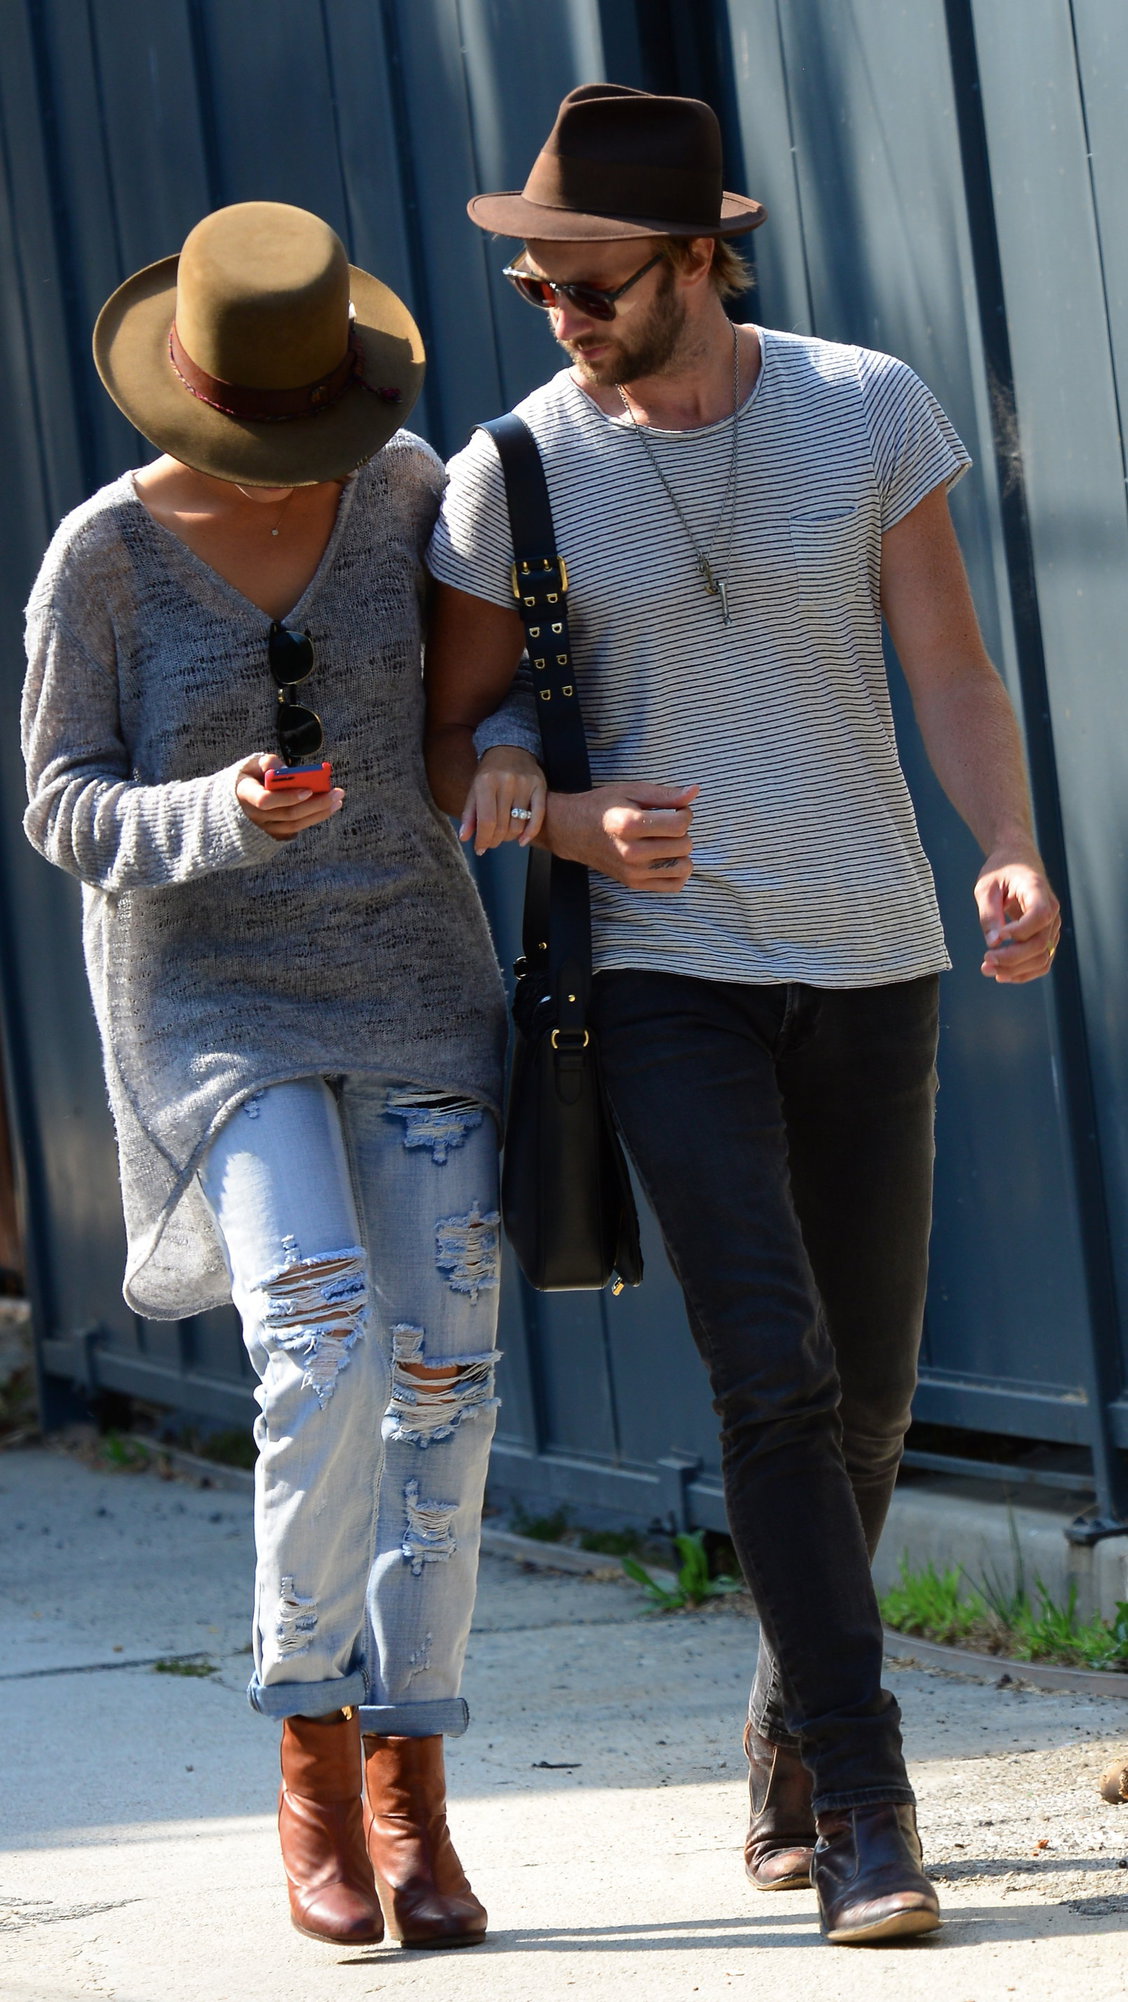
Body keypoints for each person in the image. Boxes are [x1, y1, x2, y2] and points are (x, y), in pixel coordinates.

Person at [423, 84, 1060, 1948]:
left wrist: (1009, 845)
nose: (560, 313)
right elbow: (452, 742)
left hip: (872, 952)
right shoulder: (514, 467)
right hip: (663, 976)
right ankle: (868, 1803)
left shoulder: (866, 409)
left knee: (867, 1398)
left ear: (704, 257)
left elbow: (945, 658)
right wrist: (567, 815)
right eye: (539, 282)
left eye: (595, 281)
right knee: (768, 1371)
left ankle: (790, 1716)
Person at [22, 201, 506, 1951]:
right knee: (318, 1333)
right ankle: (310, 1745)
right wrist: (218, 813)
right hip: (218, 1005)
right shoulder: (104, 556)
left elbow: (493, 695)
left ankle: (415, 1779)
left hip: (414, 981)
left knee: (447, 1372)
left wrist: (517, 768)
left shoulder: (410, 493)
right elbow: (62, 802)